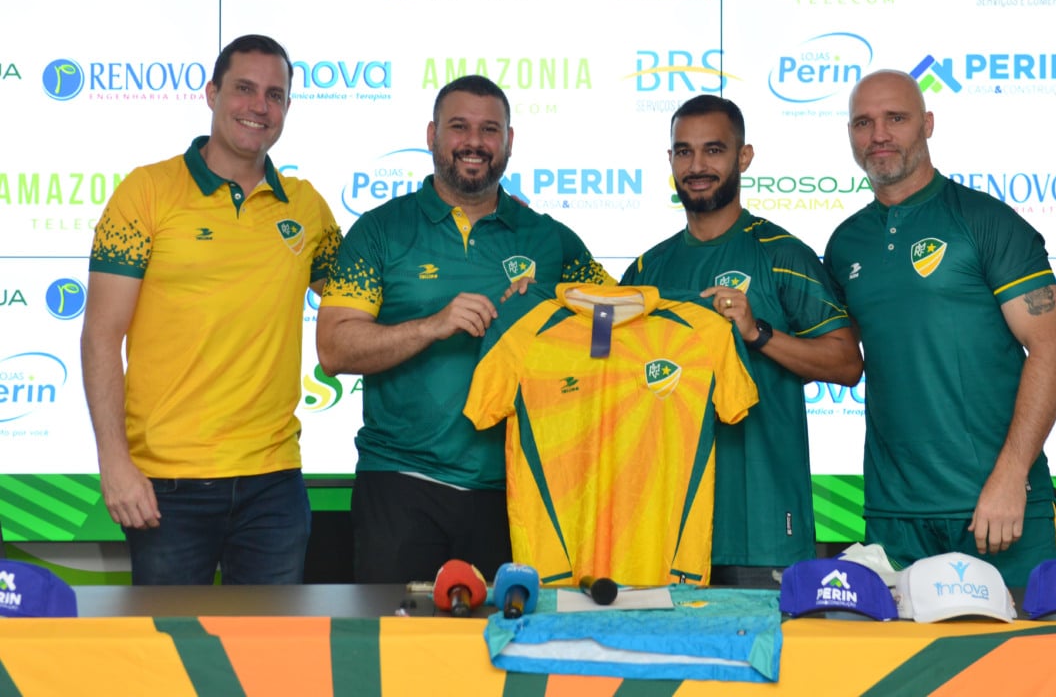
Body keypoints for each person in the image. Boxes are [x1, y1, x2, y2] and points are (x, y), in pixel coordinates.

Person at [316, 74, 614, 584]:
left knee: (505, 634)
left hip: (516, 490)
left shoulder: (550, 239)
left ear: (509, 141)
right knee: (398, 633)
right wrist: (432, 326)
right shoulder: (380, 230)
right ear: (432, 135)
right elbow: (334, 349)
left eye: (489, 130)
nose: (474, 142)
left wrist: (556, 317)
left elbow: (611, 334)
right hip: (401, 483)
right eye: (459, 127)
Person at [80, 34, 343, 585]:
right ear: (212, 93)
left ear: (287, 108)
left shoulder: (307, 206)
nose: (259, 106)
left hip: (274, 483)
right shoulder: (146, 192)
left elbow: (364, 301)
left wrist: (483, 233)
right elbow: (101, 336)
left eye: (275, 95)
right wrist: (114, 463)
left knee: (270, 642)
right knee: (168, 642)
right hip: (167, 486)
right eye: (244, 89)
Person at [823, 69, 1056, 587]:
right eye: (863, 122)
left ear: (928, 124)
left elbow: (1055, 353)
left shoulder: (985, 221)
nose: (879, 135)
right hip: (894, 518)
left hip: (997, 509)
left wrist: (1011, 477)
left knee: (1027, 644)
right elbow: (841, 359)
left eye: (896, 118)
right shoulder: (846, 243)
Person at [621, 95, 863, 587]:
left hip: (763, 523)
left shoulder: (781, 254)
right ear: (670, 161)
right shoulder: (646, 270)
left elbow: (846, 364)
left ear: (744, 157)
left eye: (713, 150)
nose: (697, 166)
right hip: (666, 525)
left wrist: (758, 334)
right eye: (684, 152)